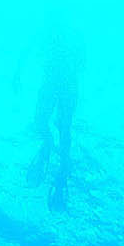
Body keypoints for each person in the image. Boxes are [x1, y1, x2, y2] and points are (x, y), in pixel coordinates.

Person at [20, 11, 85, 211]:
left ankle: (60, 173)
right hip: (63, 83)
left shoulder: (55, 33)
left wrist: (17, 72)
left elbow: (28, 50)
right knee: (54, 126)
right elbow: (84, 59)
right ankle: (53, 158)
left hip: (60, 83)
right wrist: (17, 72)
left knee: (59, 127)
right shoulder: (63, 33)